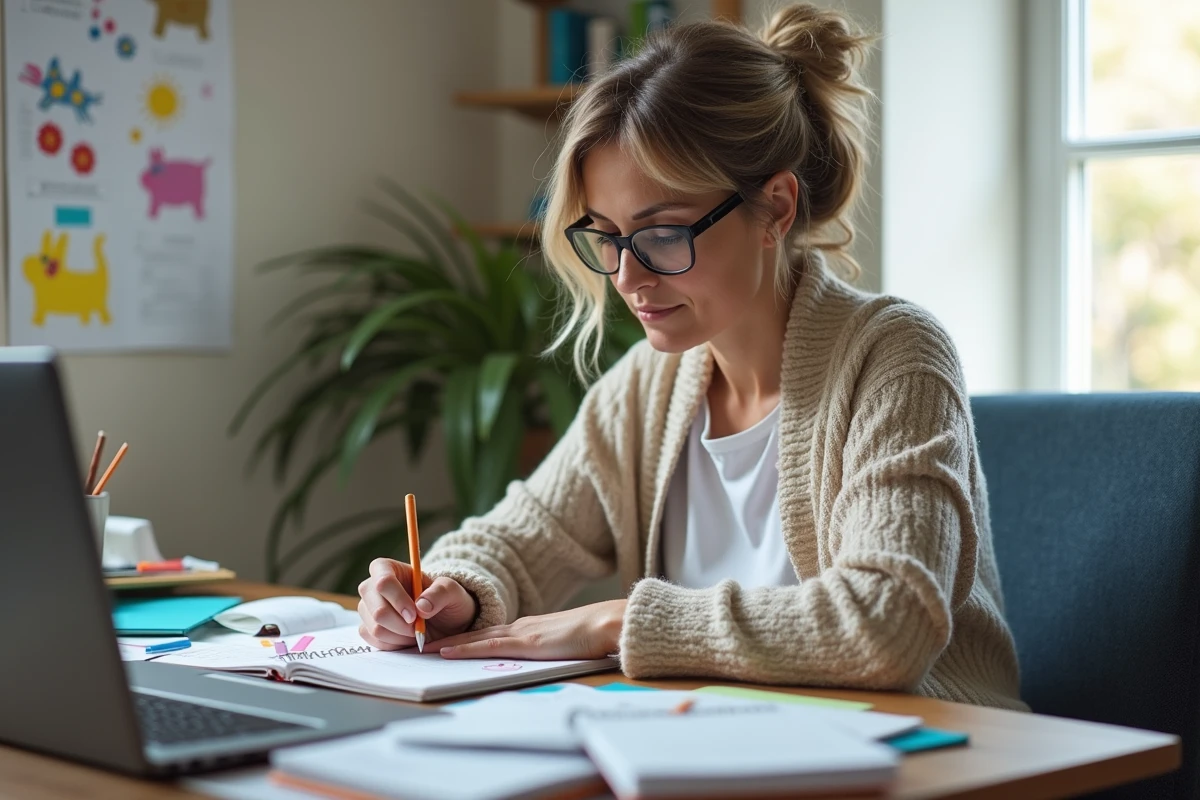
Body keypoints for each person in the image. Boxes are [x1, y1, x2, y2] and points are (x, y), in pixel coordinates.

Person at [357, 3, 1026, 711]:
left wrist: (619, 622)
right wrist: (447, 590)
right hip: (723, 750)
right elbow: (520, 539)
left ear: (776, 208)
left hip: (936, 756)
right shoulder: (651, 386)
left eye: (663, 235)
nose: (627, 277)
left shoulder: (893, 357)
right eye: (607, 236)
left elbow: (888, 623)